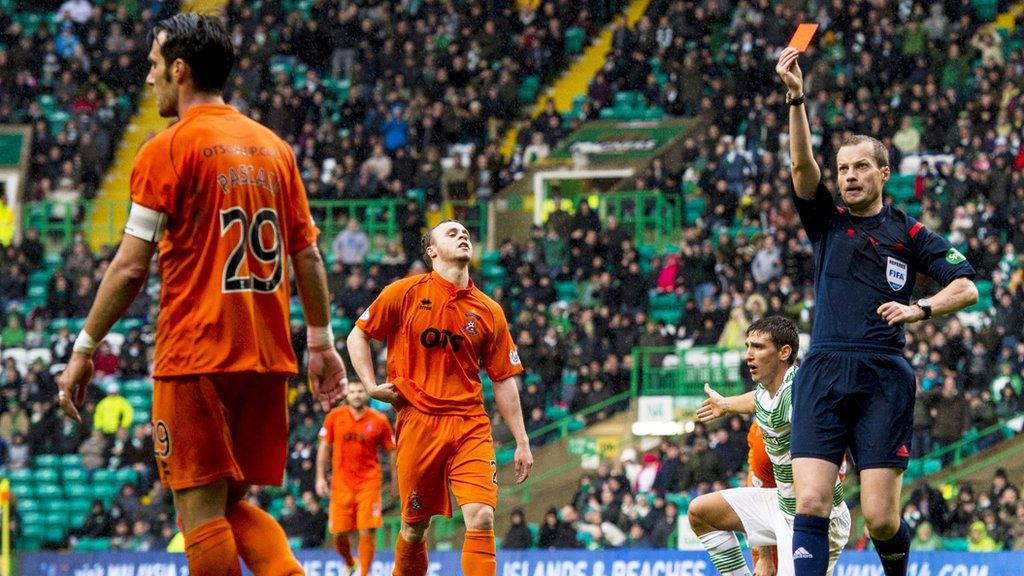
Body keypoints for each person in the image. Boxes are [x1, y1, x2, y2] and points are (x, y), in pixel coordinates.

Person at [55, 13, 346, 576]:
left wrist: (85, 346)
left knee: (199, 513)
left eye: (154, 66)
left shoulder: (168, 149)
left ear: (180, 70)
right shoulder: (275, 149)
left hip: (196, 355)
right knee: (231, 504)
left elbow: (129, 268)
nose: (148, 79)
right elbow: (306, 254)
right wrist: (320, 341)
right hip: (264, 359)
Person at [776, 46, 979, 576]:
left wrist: (920, 310)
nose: (848, 176)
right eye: (842, 168)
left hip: (882, 375)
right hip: (823, 370)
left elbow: (967, 287)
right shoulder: (826, 221)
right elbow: (802, 166)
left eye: (861, 166)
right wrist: (796, 97)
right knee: (812, 500)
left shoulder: (909, 233)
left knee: (881, 518)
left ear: (884, 173)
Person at [347, 219, 532, 576]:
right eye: (452, 233)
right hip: (418, 421)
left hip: (470, 424)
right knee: (414, 528)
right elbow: (359, 335)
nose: (463, 235)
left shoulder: (489, 310)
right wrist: (370, 386)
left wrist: (522, 439)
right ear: (431, 251)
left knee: (481, 516)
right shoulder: (403, 293)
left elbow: (504, 379)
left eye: (465, 232)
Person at [692, 316, 851, 576]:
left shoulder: (800, 390)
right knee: (701, 513)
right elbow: (758, 400)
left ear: (784, 352)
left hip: (815, 519)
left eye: (758, 347)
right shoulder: (767, 391)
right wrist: (726, 405)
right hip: (780, 504)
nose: (749, 355)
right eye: (747, 346)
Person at [316, 381, 397, 576]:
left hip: (369, 483)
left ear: (367, 394)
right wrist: (319, 477)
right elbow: (324, 448)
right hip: (341, 484)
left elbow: (392, 451)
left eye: (360, 391)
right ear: (347, 394)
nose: (357, 394)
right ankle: (351, 563)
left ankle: (364, 573)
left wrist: (396, 481)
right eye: (352, 391)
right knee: (338, 534)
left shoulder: (379, 420)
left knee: (367, 530)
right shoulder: (335, 417)